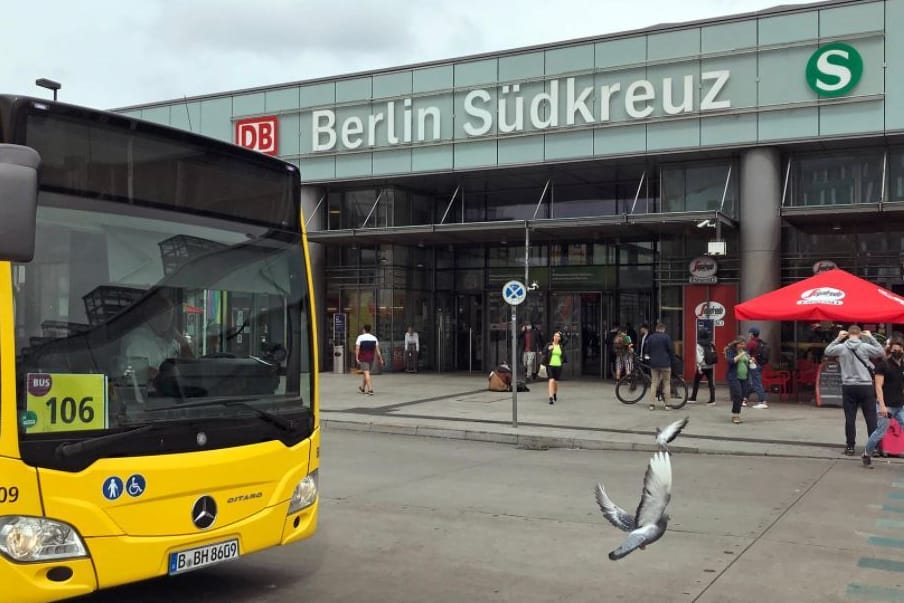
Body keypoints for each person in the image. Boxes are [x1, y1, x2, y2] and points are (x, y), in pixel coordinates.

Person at [824, 325, 885, 456]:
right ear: (860, 334)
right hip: (865, 385)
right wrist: (871, 337)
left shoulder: (841, 348)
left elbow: (827, 351)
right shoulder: (864, 346)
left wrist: (838, 338)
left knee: (850, 418)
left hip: (848, 385)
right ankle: (873, 448)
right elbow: (881, 352)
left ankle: (850, 447)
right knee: (871, 418)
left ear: (848, 334)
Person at [122, 293, 193, 385]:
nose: (165, 319)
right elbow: (137, 372)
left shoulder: (172, 341)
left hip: (173, 393)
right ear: (149, 315)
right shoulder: (137, 340)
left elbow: (192, 367)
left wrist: (182, 341)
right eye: (160, 314)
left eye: (168, 314)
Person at [862, 337, 904, 467]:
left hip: (900, 405)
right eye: (894, 350)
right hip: (886, 406)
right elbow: (878, 387)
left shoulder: (902, 365)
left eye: (899, 350)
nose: (897, 352)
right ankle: (867, 454)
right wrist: (882, 406)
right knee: (880, 432)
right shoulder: (883, 365)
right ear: (890, 351)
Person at [645, 322, 676, 411]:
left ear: (656, 329)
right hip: (665, 364)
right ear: (663, 329)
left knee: (654, 383)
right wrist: (672, 362)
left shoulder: (651, 337)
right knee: (666, 383)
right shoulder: (667, 337)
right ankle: (667, 405)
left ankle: (652, 405)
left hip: (654, 364)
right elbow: (671, 350)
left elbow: (647, 350)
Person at [725, 337, 750, 424]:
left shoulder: (745, 352)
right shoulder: (731, 351)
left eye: (744, 344)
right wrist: (741, 355)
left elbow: (746, 361)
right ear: (736, 344)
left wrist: (750, 361)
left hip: (744, 377)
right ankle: (736, 415)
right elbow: (731, 361)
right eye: (741, 344)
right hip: (734, 376)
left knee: (742, 396)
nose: (743, 346)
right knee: (738, 395)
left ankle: (736, 412)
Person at [355, 324, 384, 395]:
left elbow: (357, 348)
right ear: (370, 330)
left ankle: (370, 389)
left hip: (363, 357)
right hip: (371, 358)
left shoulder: (360, 337)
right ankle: (362, 387)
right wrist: (381, 359)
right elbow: (378, 351)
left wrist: (356, 358)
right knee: (366, 372)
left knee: (366, 373)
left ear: (364, 330)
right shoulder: (374, 338)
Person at [689, 329, 716, 405]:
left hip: (702, 366)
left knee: (696, 381)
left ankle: (693, 397)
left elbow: (699, 357)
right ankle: (712, 399)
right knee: (711, 383)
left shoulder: (699, 344)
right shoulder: (711, 343)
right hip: (710, 365)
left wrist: (699, 366)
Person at [745, 327, 769, 409]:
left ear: (752, 334)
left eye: (750, 333)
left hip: (753, 365)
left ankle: (762, 401)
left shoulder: (751, 343)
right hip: (760, 365)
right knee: (751, 383)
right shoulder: (761, 342)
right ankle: (745, 399)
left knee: (756, 383)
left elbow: (746, 354)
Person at [542, 331, 568, 405]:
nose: (556, 337)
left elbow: (566, 340)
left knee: (556, 382)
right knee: (551, 380)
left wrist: (561, 333)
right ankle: (550, 397)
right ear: (553, 337)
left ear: (560, 338)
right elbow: (544, 352)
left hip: (558, 365)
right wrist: (548, 349)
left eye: (558, 336)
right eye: (555, 335)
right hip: (550, 365)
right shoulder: (549, 345)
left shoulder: (561, 346)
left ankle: (554, 394)